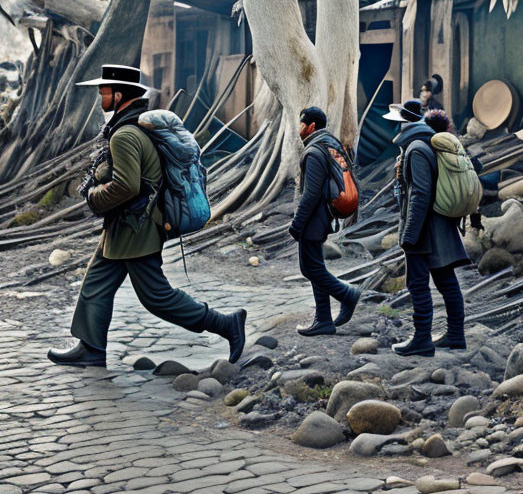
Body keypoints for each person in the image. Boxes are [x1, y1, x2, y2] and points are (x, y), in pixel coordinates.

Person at [47, 65, 247, 368]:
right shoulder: (131, 128)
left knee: (156, 296)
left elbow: (127, 185)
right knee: (97, 281)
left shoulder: (125, 135)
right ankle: (90, 348)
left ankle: (226, 324)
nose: (100, 97)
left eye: (103, 92)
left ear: (117, 95)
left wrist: (94, 197)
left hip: (135, 229)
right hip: (126, 226)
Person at [383, 99, 469, 356]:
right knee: (446, 281)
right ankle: (456, 335)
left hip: (423, 229)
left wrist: (410, 234)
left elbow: (420, 193)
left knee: (418, 283)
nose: (395, 128)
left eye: (397, 123)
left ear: (404, 124)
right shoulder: (424, 143)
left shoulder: (417, 148)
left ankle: (422, 339)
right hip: (435, 226)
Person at [290, 106, 362, 336]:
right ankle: (323, 320)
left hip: (314, 219)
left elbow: (311, 194)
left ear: (311, 126)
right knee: (314, 267)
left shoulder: (314, 152)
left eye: (301, 124)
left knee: (310, 268)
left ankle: (347, 294)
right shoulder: (330, 144)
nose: (299, 129)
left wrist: (297, 224)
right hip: (323, 217)